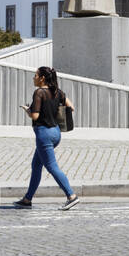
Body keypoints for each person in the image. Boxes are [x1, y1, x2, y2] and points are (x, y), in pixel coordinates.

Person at [14, 66, 79, 210]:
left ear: (42, 78)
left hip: (44, 134)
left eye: (35, 75)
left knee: (51, 166)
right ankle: (27, 199)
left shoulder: (39, 93)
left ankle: (71, 196)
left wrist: (27, 110)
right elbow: (71, 107)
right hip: (56, 133)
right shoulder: (57, 91)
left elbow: (35, 116)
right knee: (36, 165)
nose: (34, 78)